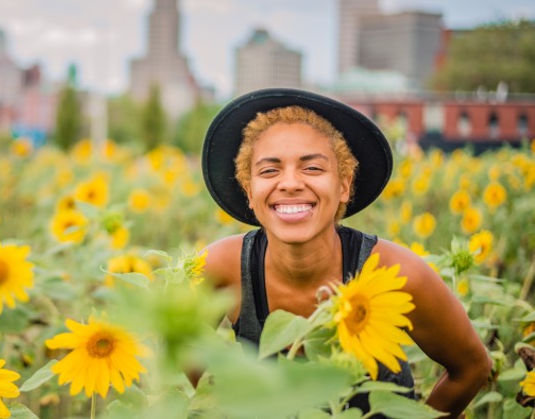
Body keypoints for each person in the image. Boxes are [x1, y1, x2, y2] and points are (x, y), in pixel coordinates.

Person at [199, 88, 491, 418]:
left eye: (312, 168)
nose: (291, 183)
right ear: (249, 191)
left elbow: (472, 367)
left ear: (344, 186)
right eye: (269, 170)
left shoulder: (395, 273)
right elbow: (179, 350)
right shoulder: (221, 268)